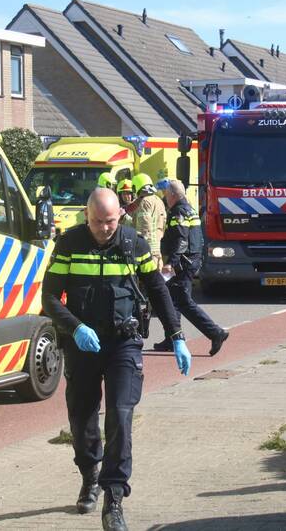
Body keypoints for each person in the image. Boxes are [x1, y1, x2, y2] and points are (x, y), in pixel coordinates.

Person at [42, 189, 191, 531]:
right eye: (97, 221)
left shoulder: (133, 244)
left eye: (110, 221)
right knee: (82, 418)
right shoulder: (70, 244)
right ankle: (89, 474)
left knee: (121, 416)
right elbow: (49, 296)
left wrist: (178, 336)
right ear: (86, 215)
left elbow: (157, 288)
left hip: (123, 342)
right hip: (83, 344)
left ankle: (113, 499)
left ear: (120, 215)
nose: (104, 228)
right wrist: (75, 327)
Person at [156, 179, 229, 356]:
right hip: (190, 260)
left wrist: (171, 263)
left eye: (166, 195)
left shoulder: (178, 211)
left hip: (182, 262)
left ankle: (215, 333)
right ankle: (172, 338)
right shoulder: (190, 209)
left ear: (172, 195)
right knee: (174, 299)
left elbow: (181, 240)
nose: (166, 198)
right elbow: (199, 238)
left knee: (183, 302)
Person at [131, 173, 166, 268]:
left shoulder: (145, 202)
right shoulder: (158, 201)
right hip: (157, 250)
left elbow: (144, 228)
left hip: (146, 252)